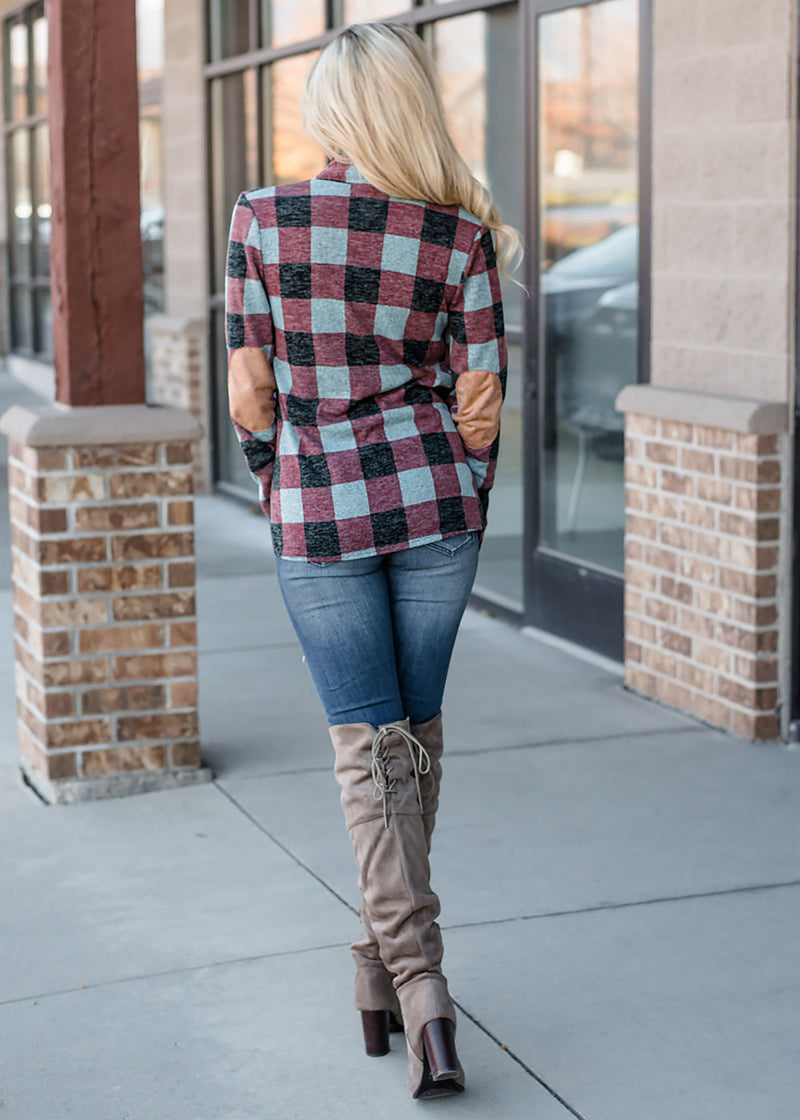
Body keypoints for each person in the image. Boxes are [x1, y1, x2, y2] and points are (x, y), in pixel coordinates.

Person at [225, 21, 520, 1100]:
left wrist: (283, 476)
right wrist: (462, 495)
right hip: (434, 504)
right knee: (410, 745)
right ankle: (380, 970)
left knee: (371, 746)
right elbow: (480, 411)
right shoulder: (457, 236)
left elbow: (250, 393)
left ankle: (419, 981)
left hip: (321, 510)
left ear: (331, 112)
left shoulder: (262, 218)